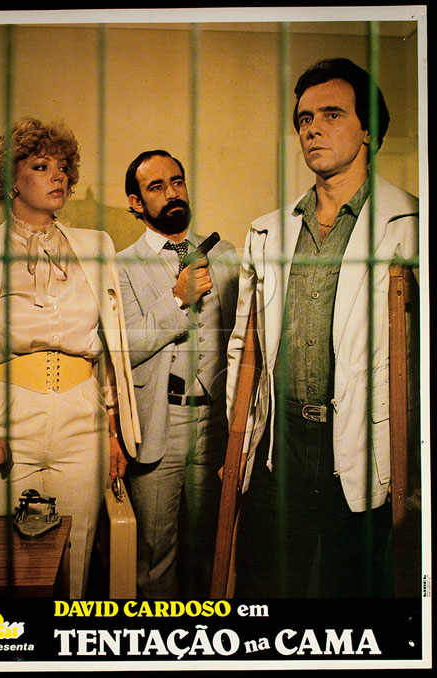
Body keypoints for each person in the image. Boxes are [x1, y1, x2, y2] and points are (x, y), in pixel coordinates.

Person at [227, 58, 419, 598]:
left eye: (332, 114)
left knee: (350, 596)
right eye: (305, 118)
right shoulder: (267, 231)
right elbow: (243, 346)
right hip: (280, 446)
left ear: (368, 129)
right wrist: (239, 444)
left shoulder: (411, 225)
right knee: (265, 592)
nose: (313, 128)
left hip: (362, 444)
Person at [0, 117, 141, 599]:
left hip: (81, 416)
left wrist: (112, 430)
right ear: (11, 179)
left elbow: (108, 345)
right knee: (4, 563)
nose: (59, 175)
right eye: (41, 166)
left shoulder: (96, 246)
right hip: (4, 417)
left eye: (63, 167)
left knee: (75, 558)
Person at [117, 150, 239, 598]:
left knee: (214, 548)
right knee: (155, 555)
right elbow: (125, 350)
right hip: (159, 424)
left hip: (217, 425)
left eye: (177, 182)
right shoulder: (121, 265)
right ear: (136, 203)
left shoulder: (225, 254)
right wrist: (176, 300)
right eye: (156, 186)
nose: (172, 193)